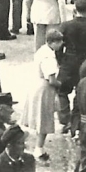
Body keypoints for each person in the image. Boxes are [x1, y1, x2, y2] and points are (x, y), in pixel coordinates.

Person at [20, 27, 62, 163]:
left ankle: (38, 147)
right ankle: (39, 149)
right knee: (43, 119)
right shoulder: (48, 57)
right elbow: (51, 79)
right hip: (44, 88)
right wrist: (61, 84)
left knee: (38, 118)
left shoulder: (42, 50)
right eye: (59, 42)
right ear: (53, 42)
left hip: (36, 84)